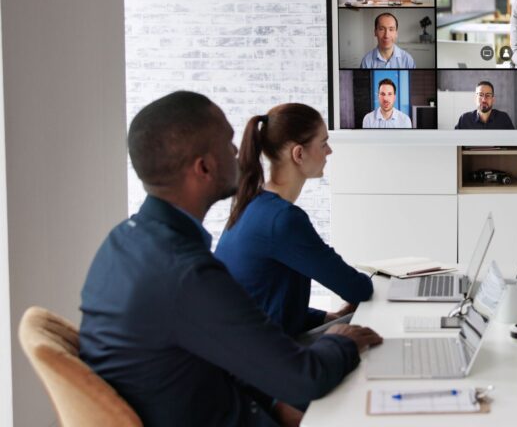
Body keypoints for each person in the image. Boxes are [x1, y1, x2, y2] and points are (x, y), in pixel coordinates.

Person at [78, 91, 382, 427]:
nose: (238, 152)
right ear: (204, 167)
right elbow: (304, 378)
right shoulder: (185, 272)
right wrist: (343, 341)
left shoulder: (124, 242)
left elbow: (216, 345)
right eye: (228, 143)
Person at [215, 103, 374, 340]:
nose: (329, 151)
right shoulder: (283, 220)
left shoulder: (251, 204)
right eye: (323, 144)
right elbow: (358, 288)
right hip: (266, 360)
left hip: (248, 351)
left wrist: (324, 318)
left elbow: (262, 301)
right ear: (299, 154)